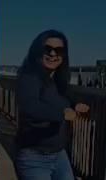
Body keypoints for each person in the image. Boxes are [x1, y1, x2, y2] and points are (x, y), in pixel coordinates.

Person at [14, 29, 89, 180]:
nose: (53, 54)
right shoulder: (29, 76)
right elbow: (30, 106)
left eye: (58, 50)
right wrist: (62, 114)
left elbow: (62, 99)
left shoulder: (56, 78)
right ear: (37, 51)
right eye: (48, 49)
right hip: (34, 156)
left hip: (59, 154)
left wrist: (75, 105)